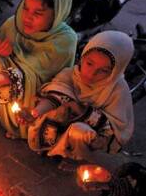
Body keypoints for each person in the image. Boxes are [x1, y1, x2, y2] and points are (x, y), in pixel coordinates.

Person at [0, 0, 77, 139]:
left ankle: (16, 127)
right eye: (26, 8)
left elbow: (31, 72)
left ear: (57, 13)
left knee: (13, 82)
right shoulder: (14, 23)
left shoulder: (65, 40)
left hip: (36, 93)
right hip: (7, 76)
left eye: (38, 13)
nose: (27, 17)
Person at [27, 30, 135, 161]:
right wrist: (35, 113)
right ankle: (49, 146)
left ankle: (75, 159)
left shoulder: (118, 91)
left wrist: (83, 111)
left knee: (79, 131)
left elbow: (113, 132)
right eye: (89, 64)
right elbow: (55, 96)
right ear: (83, 57)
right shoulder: (70, 74)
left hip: (90, 135)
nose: (91, 74)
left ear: (115, 72)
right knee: (48, 108)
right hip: (63, 124)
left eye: (103, 71)